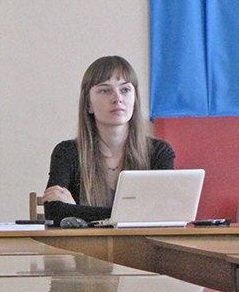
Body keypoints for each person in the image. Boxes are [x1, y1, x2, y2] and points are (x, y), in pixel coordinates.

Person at [42, 55, 175, 224]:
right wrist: (133, 214)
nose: (117, 98)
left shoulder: (159, 151)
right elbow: (54, 211)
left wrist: (76, 209)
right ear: (88, 104)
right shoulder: (67, 152)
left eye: (125, 90)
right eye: (105, 90)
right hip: (82, 242)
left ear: (135, 100)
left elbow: (165, 212)